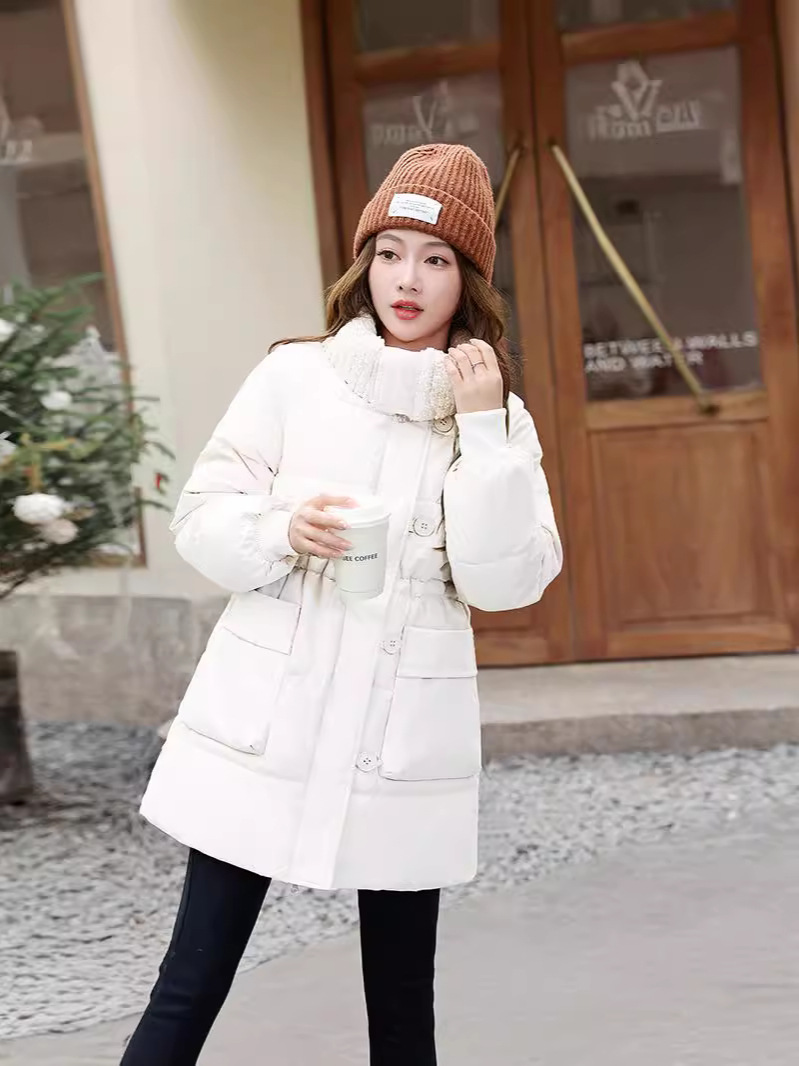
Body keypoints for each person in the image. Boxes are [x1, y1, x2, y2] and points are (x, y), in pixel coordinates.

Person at [122, 143, 562, 1066]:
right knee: (187, 988)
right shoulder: (294, 376)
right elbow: (200, 517)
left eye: (435, 259)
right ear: (364, 263)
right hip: (267, 727)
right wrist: (283, 529)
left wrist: (483, 431)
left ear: (467, 281)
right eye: (390, 252)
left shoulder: (495, 416)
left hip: (399, 740)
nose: (408, 280)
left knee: (403, 1016)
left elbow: (505, 581)